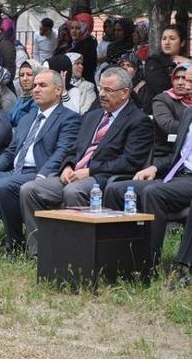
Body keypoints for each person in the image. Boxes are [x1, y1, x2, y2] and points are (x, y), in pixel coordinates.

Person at [20, 67, 152, 255]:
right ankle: (40, 252)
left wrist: (91, 171)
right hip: (75, 173)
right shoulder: (92, 116)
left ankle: (77, 253)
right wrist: (67, 166)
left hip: (104, 177)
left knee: (74, 191)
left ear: (125, 93)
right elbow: (74, 149)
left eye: (109, 90)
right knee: (30, 190)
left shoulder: (138, 121)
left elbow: (130, 161)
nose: (103, 94)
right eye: (101, 89)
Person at [0, 69, 81, 254]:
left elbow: (62, 152)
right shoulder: (27, 118)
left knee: (4, 185)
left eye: (42, 85)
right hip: (15, 171)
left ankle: (14, 243)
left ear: (58, 90)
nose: (36, 89)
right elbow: (12, 150)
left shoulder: (69, 118)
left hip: (40, 173)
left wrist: (41, 175)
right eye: (35, 86)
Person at [104, 106, 192, 285]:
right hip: (177, 176)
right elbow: (179, 156)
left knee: (153, 192)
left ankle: (147, 267)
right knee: (115, 189)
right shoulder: (188, 113)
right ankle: (116, 261)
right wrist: (155, 167)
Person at [137, 25, 190, 115]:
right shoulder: (153, 61)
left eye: (172, 38)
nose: (167, 42)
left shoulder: (186, 62)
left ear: (182, 43)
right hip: (158, 113)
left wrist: (188, 63)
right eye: (164, 39)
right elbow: (163, 88)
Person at [152, 63, 192, 159]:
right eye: (176, 78)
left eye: (185, 79)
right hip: (167, 155)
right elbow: (168, 125)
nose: (180, 82)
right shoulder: (162, 100)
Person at [9, 59, 40, 127]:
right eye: (21, 75)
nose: (25, 79)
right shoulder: (22, 98)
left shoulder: (38, 100)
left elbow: (27, 126)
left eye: (29, 74)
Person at [69, 12, 98, 83]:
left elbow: (86, 69)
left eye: (78, 28)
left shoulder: (88, 46)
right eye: (72, 28)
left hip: (84, 83)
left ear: (86, 29)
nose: (73, 31)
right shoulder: (73, 43)